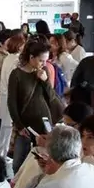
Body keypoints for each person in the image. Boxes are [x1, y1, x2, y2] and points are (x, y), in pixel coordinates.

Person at [12, 102, 94, 188]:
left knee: (37, 160)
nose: (67, 128)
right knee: (37, 152)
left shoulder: (85, 145)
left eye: (69, 125)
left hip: (67, 179)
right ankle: (15, 187)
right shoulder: (75, 138)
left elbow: (70, 162)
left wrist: (49, 146)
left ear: (81, 124)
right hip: (62, 172)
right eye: (65, 124)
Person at [7, 37, 58, 174]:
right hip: (25, 124)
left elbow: (51, 97)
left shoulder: (44, 71)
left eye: (46, 60)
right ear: (31, 57)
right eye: (41, 60)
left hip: (44, 122)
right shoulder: (17, 74)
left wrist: (45, 81)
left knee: (43, 161)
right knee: (18, 163)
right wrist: (19, 125)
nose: (44, 63)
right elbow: (12, 102)